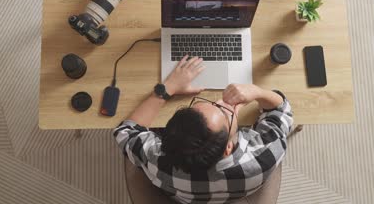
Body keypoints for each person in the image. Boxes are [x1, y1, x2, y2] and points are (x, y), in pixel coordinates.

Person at [113, 55, 293, 203]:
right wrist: (257, 91)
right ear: (228, 147)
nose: (222, 102)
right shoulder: (263, 159)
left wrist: (168, 88)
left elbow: (125, 132)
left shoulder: (156, 160)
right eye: (223, 112)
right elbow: (281, 110)